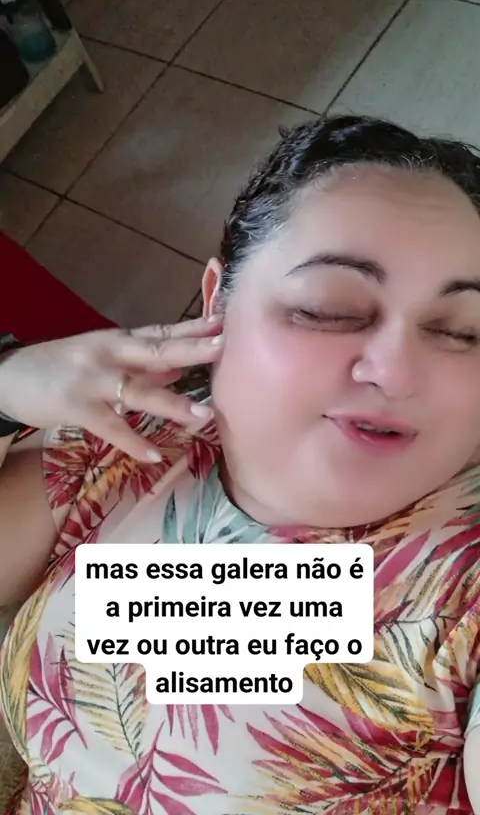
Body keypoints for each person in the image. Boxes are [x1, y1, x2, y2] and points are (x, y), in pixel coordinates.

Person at [0, 115, 479, 814]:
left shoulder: (461, 581)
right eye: (329, 309)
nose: (398, 372)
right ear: (216, 300)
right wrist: (7, 385)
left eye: (462, 332)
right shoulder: (117, 447)